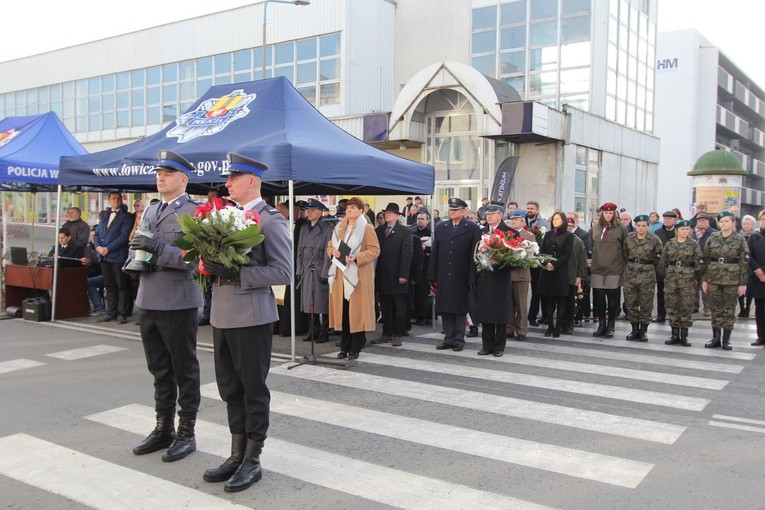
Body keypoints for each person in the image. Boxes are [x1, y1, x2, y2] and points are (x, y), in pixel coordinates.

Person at [201, 153, 291, 492]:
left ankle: (253, 459)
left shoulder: (269, 221)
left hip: (252, 317)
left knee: (253, 390)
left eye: (232, 178)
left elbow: (284, 272)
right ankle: (236, 453)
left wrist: (238, 272)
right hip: (223, 315)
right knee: (229, 389)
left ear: (251, 180)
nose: (226, 184)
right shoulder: (226, 217)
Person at [127, 150, 204, 463]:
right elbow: (142, 244)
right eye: (159, 172)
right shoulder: (152, 208)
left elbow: (195, 260)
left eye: (168, 173)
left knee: (184, 370)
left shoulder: (195, 212)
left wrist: (158, 249)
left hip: (178, 301)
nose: (160, 177)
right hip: (148, 299)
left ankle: (187, 432)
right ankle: (164, 427)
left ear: (182, 179)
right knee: (158, 369)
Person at [327, 197, 380, 360]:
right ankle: (344, 346)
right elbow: (330, 245)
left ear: (361, 210)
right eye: (348, 207)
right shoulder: (339, 227)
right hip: (341, 274)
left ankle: (355, 347)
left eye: (353, 207)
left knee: (356, 312)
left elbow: (374, 250)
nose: (349, 209)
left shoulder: (367, 228)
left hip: (359, 275)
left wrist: (356, 256)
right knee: (343, 311)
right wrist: (332, 252)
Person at [429, 197, 480, 351]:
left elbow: (474, 256)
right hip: (444, 273)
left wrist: (472, 277)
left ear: (464, 211)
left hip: (461, 274)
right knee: (445, 307)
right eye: (451, 209)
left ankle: (458, 339)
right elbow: (435, 252)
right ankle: (448, 338)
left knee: (459, 308)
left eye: (456, 209)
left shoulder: (472, 228)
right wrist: (432, 275)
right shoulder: (441, 227)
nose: (453, 212)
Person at [701, 211, 749, 351]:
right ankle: (716, 338)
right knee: (715, 308)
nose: (724, 224)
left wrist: (742, 283)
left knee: (728, 309)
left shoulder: (739, 239)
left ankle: (726, 339)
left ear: (733, 223)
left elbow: (744, 262)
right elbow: (706, 259)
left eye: (727, 221)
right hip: (714, 278)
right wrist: (704, 280)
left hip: (732, 279)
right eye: (721, 221)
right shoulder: (713, 237)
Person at [471, 202, 512, 356]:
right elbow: (473, 256)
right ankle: (486, 345)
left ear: (500, 215)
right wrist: (472, 278)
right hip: (484, 278)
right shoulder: (480, 232)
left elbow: (514, 260)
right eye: (487, 214)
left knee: (500, 314)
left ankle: (499, 346)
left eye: (492, 214)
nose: (488, 217)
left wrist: (499, 262)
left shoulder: (509, 232)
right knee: (486, 312)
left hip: (500, 278)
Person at [373, 203, 413, 347]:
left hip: (397, 275)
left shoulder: (405, 232)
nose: (387, 215)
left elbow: (407, 255)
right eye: (386, 212)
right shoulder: (378, 231)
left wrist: (403, 274)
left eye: (390, 213)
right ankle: (386, 333)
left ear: (397, 215)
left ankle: (398, 334)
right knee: (385, 306)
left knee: (399, 306)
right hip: (382, 275)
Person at [660, 219, 703, 347]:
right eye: (682, 229)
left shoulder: (694, 244)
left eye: (687, 229)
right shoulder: (670, 244)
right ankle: (674, 334)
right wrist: (670, 273)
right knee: (672, 307)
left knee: (685, 307)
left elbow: (699, 264)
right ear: (677, 230)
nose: (685, 231)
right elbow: (663, 262)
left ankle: (684, 335)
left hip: (687, 280)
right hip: (671, 280)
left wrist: (690, 273)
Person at [296, 198, 333, 343]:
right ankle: (313, 330)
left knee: (321, 303)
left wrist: (325, 272)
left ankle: (324, 331)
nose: (309, 213)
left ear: (320, 212)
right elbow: (299, 250)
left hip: (318, 267)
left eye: (312, 210)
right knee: (309, 303)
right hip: (306, 268)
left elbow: (327, 253)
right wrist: (299, 270)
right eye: (308, 210)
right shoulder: (304, 228)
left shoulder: (327, 228)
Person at [94, 192, 133, 324]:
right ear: (109, 200)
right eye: (113, 198)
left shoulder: (127, 217)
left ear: (122, 200)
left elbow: (123, 237)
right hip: (104, 257)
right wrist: (98, 246)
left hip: (117, 256)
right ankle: (110, 312)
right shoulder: (104, 215)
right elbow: (97, 233)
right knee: (109, 286)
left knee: (122, 285)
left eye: (118, 198)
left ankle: (122, 313)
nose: (116, 200)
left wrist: (108, 248)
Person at [622, 215, 663, 342]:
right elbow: (625, 253)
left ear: (648, 226)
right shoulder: (629, 238)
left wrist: (648, 266)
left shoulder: (654, 239)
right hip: (631, 274)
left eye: (644, 225)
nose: (641, 228)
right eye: (639, 225)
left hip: (647, 274)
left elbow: (658, 258)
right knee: (631, 302)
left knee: (646, 303)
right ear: (635, 226)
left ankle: (643, 330)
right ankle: (634, 329)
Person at [590, 202, 627, 338]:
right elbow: (592, 245)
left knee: (612, 300)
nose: (608, 215)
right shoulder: (595, 227)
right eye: (606, 213)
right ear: (602, 213)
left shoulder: (621, 228)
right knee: (599, 299)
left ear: (614, 214)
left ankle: (611, 325)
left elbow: (625, 247)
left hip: (614, 268)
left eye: (611, 213)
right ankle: (601, 325)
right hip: (598, 267)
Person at [538, 212, 574, 337]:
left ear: (563, 221)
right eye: (553, 219)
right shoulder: (547, 235)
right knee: (548, 299)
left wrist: (555, 264)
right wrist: (546, 262)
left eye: (558, 219)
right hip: (547, 271)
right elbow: (542, 251)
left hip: (560, 271)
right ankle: (550, 326)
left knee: (561, 300)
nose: (555, 221)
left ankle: (558, 327)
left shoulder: (568, 236)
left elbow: (567, 254)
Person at [506, 209, 535, 341]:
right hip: (508, 273)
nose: (513, 221)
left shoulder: (529, 236)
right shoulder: (507, 235)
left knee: (521, 304)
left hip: (522, 274)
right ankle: (509, 328)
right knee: (509, 303)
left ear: (523, 221)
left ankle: (522, 329)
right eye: (512, 219)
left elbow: (530, 254)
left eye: (516, 219)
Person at [525, 200, 551, 326]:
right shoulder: (522, 221)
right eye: (528, 208)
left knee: (536, 290)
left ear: (537, 210)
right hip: (523, 260)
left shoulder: (543, 223)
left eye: (532, 208)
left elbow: (547, 240)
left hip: (536, 260)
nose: (529, 210)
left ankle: (532, 316)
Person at [199, 191, 221, 326]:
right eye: (209, 195)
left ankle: (214, 313)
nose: (211, 198)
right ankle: (207, 314)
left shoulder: (223, 208)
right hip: (205, 254)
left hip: (217, 256)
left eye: (213, 196)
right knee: (206, 289)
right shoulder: (204, 207)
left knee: (216, 287)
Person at [652, 210, 678, 323]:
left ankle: (675, 316)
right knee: (661, 292)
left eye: (669, 219)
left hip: (676, 268)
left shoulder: (679, 232)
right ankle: (661, 315)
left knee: (676, 293)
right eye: (665, 218)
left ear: (675, 220)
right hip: (662, 267)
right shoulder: (658, 232)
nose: (667, 221)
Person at [567, 212, 593, 325]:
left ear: (577, 220)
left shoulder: (583, 234)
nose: (570, 223)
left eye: (572, 220)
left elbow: (586, 252)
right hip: (566, 268)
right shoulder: (562, 233)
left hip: (579, 268)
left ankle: (579, 316)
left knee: (580, 294)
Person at [692, 212, 717, 317]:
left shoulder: (713, 233)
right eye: (699, 220)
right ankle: (694, 306)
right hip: (693, 263)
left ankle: (707, 307)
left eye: (703, 220)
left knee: (706, 286)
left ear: (708, 222)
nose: (701, 222)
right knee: (693, 286)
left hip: (707, 263)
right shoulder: (691, 232)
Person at [746, 210, 765, 346]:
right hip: (758, 278)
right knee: (759, 308)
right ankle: (761, 336)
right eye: (762, 219)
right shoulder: (754, 236)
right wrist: (758, 270)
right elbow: (748, 255)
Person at [411, 211, 433, 325]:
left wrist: (425, 247)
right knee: (415, 289)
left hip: (426, 264)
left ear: (427, 220)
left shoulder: (431, 232)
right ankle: (414, 313)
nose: (420, 220)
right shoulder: (412, 231)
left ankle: (424, 315)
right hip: (415, 263)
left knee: (424, 291)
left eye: (422, 219)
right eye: (418, 218)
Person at [80, 225, 105, 315]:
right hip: (91, 273)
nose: (92, 238)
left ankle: (99, 307)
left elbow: (102, 264)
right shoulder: (88, 248)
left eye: (94, 236)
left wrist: (91, 263)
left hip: (104, 274)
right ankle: (84, 307)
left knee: (89, 282)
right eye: (91, 236)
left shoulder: (103, 248)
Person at [738, 214, 756, 318]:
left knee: (749, 289)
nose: (746, 226)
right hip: (740, 266)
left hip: (751, 266)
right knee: (739, 288)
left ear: (752, 225)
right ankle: (741, 308)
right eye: (744, 224)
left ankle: (748, 308)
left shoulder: (756, 236)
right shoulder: (738, 235)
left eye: (748, 224)